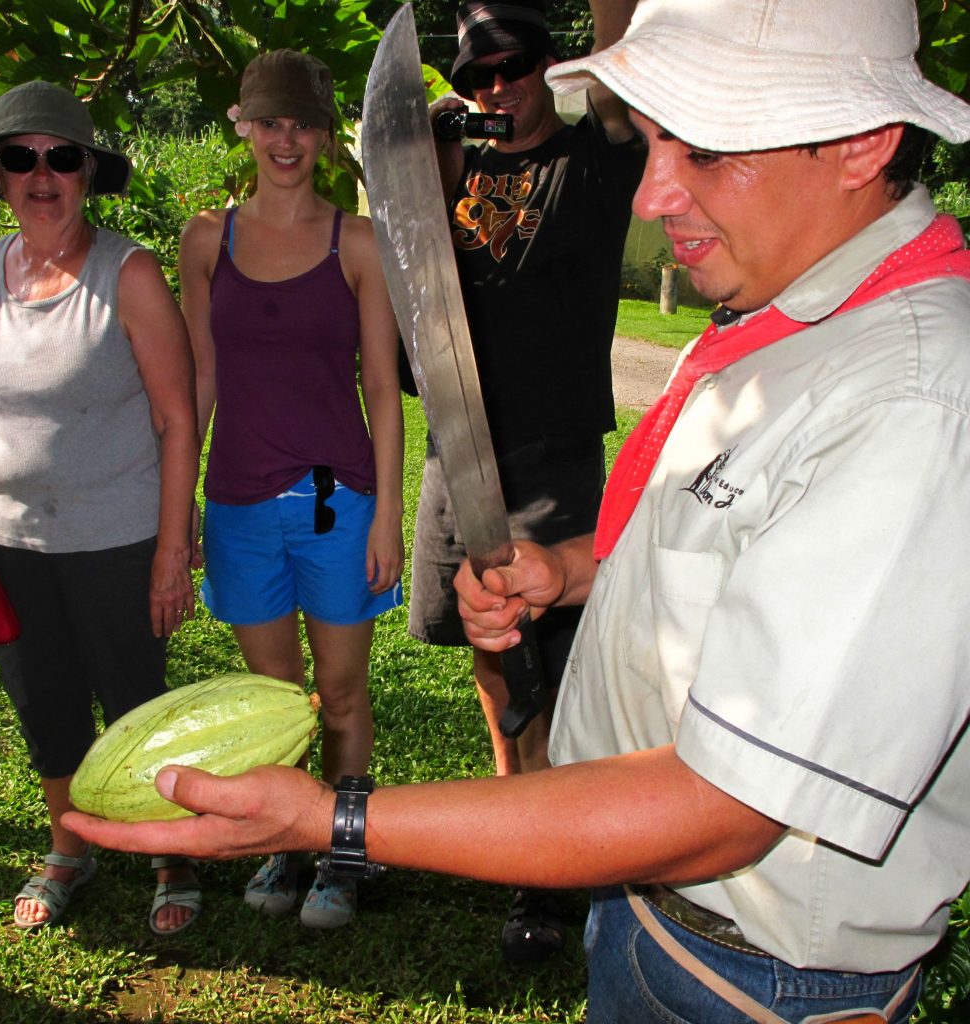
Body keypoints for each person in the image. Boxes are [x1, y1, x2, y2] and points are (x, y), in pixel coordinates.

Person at [65, 0, 970, 1018]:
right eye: (657, 138)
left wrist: (334, 818)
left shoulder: (911, 400)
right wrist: (577, 568)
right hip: (650, 916)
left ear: (861, 145)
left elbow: (724, 810)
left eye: (706, 150)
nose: (652, 194)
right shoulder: (787, 317)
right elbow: (745, 534)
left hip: (755, 980)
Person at [408, 0, 644, 963]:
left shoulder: (595, 159)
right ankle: (521, 813)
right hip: (456, 447)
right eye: (475, 78)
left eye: (511, 69)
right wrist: (436, 152)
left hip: (550, 450)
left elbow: (624, 65)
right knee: (487, 645)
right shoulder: (455, 164)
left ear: (551, 66)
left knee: (553, 652)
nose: (494, 89)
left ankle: (558, 860)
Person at [0, 81, 201, 934]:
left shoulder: (126, 273)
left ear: (87, 172)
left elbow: (177, 417)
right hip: (3, 537)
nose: (41, 174)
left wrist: (172, 550)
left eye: (61, 157)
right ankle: (71, 849)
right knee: (45, 703)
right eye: (21, 158)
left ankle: (170, 853)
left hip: (115, 538)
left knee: (135, 701)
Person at [177, 49, 404, 930]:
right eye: (270, 121)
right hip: (237, 502)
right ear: (244, 126)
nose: (286, 139)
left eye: (303, 124)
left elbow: (381, 386)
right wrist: (186, 506)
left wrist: (386, 510)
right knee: (275, 703)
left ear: (324, 137)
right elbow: (201, 377)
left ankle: (342, 852)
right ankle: (286, 840)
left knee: (343, 692)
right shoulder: (207, 240)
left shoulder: (358, 241)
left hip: (333, 503)